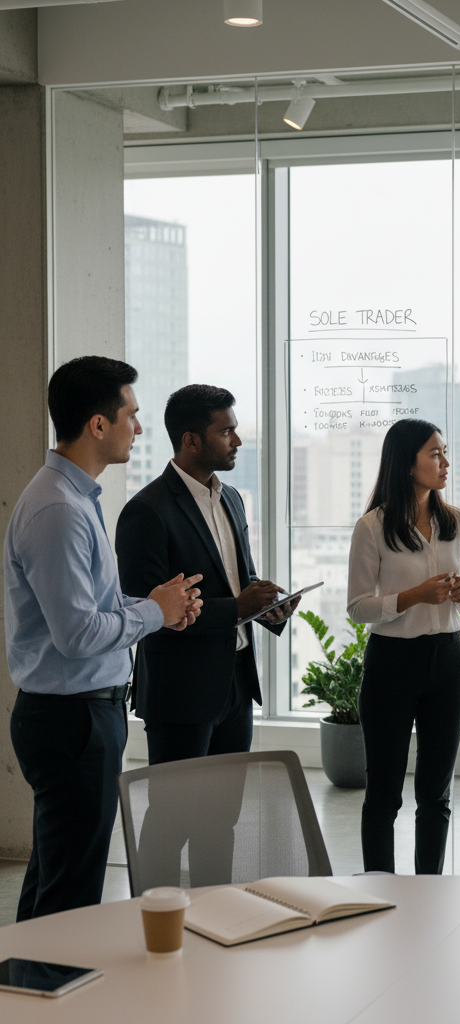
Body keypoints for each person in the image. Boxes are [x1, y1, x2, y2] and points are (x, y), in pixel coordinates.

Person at [5, 356, 202, 921]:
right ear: (98, 424)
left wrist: (155, 607)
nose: (139, 429)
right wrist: (156, 615)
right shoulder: (58, 510)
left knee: (54, 880)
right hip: (72, 722)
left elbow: (96, 610)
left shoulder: (76, 499)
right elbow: (76, 634)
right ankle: (51, 1003)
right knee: (70, 897)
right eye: (132, 415)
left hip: (80, 718)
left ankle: (28, 993)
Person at [115, 385, 298, 888]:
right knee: (170, 823)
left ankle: (217, 919)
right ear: (191, 440)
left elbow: (240, 583)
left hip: (235, 685)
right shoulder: (146, 511)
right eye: (226, 430)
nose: (238, 439)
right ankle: (151, 922)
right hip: (180, 692)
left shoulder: (232, 499)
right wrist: (235, 607)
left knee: (222, 819)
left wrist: (268, 608)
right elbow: (142, 611)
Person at [347, 419, 460, 874]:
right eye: (435, 454)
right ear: (407, 463)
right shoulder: (373, 526)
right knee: (383, 793)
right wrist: (412, 597)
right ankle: (378, 890)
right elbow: (358, 607)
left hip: (448, 659)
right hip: (392, 664)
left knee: (436, 793)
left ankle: (430, 891)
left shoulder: (457, 521)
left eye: (445, 453)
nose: (445, 463)